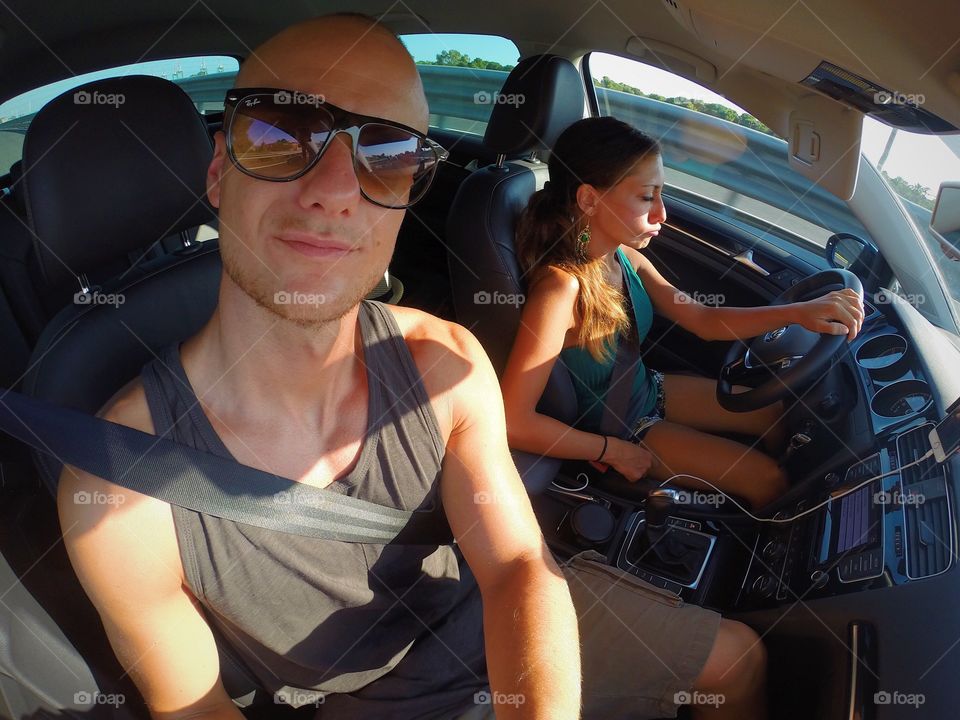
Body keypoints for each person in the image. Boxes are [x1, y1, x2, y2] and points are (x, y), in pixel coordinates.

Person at [57, 15, 768, 720]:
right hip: (362, 702)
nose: (335, 189)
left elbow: (519, 567)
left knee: (738, 660)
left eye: (389, 153)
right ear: (219, 169)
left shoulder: (446, 361)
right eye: (280, 136)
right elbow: (196, 709)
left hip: (485, 629)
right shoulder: (119, 493)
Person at [501, 117, 865, 509]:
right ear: (589, 199)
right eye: (647, 197)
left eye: (662, 195)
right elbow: (514, 421)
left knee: (777, 415)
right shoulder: (560, 289)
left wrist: (798, 313)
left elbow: (703, 321)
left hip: (649, 388)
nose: (662, 214)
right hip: (620, 428)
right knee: (769, 480)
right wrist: (612, 450)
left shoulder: (624, 258)